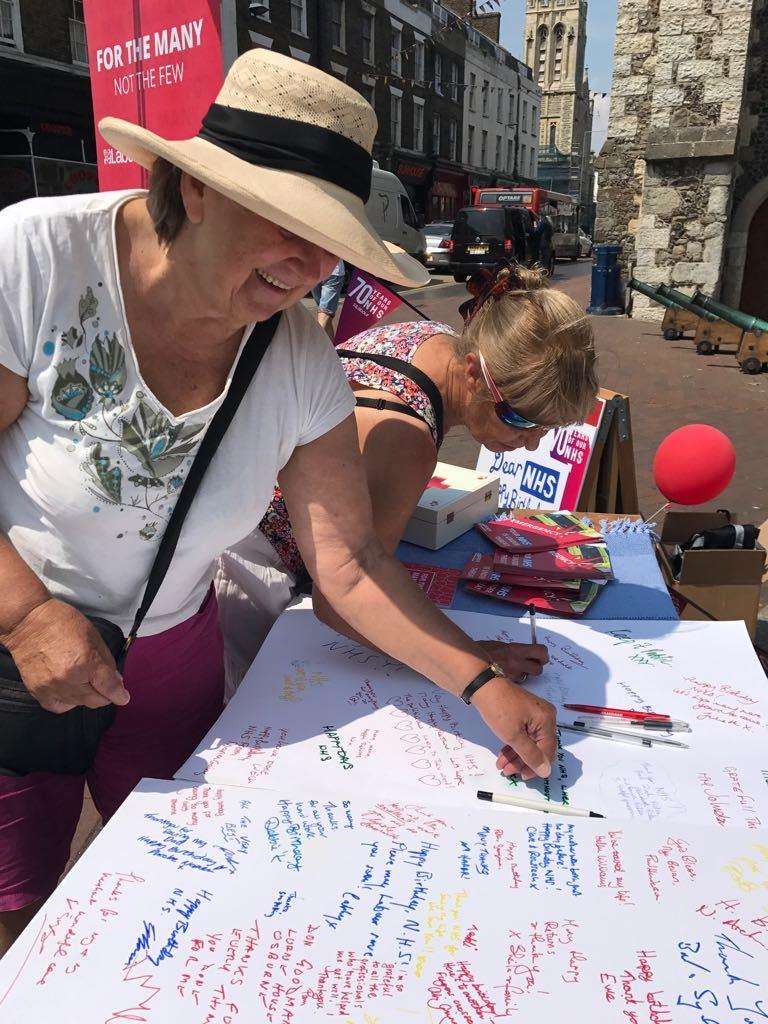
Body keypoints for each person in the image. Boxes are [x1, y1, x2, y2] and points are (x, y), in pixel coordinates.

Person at [0, 50, 557, 953]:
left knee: (180, 882)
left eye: (331, 233)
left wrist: (480, 682)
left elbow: (349, 564)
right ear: (196, 187)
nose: (309, 263)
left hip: (174, 648)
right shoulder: (36, 259)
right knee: (16, 903)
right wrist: (25, 615)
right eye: (285, 220)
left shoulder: (300, 359)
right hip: (11, 642)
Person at [217, 262, 599, 689]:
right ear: (473, 372)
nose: (531, 444)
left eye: (546, 430)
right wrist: (473, 662)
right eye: (520, 419)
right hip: (252, 571)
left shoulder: (435, 340)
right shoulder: (404, 434)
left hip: (248, 534)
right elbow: (344, 598)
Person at [312, 259, 345, 339]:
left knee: (324, 312)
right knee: (326, 317)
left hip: (333, 274)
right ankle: (332, 349)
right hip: (313, 272)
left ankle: (315, 345)